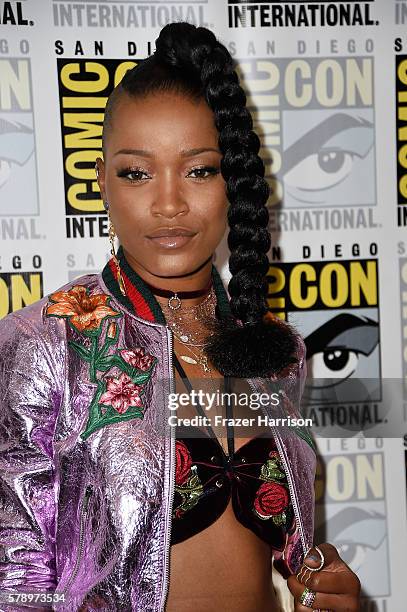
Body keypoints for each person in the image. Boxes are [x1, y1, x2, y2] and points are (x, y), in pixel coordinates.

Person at [0, 22, 360, 612]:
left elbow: (286, 553)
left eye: (199, 169)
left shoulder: (276, 350)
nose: (169, 204)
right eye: (137, 172)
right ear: (101, 184)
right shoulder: (42, 343)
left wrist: (322, 586)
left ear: (232, 183)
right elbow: (15, 577)